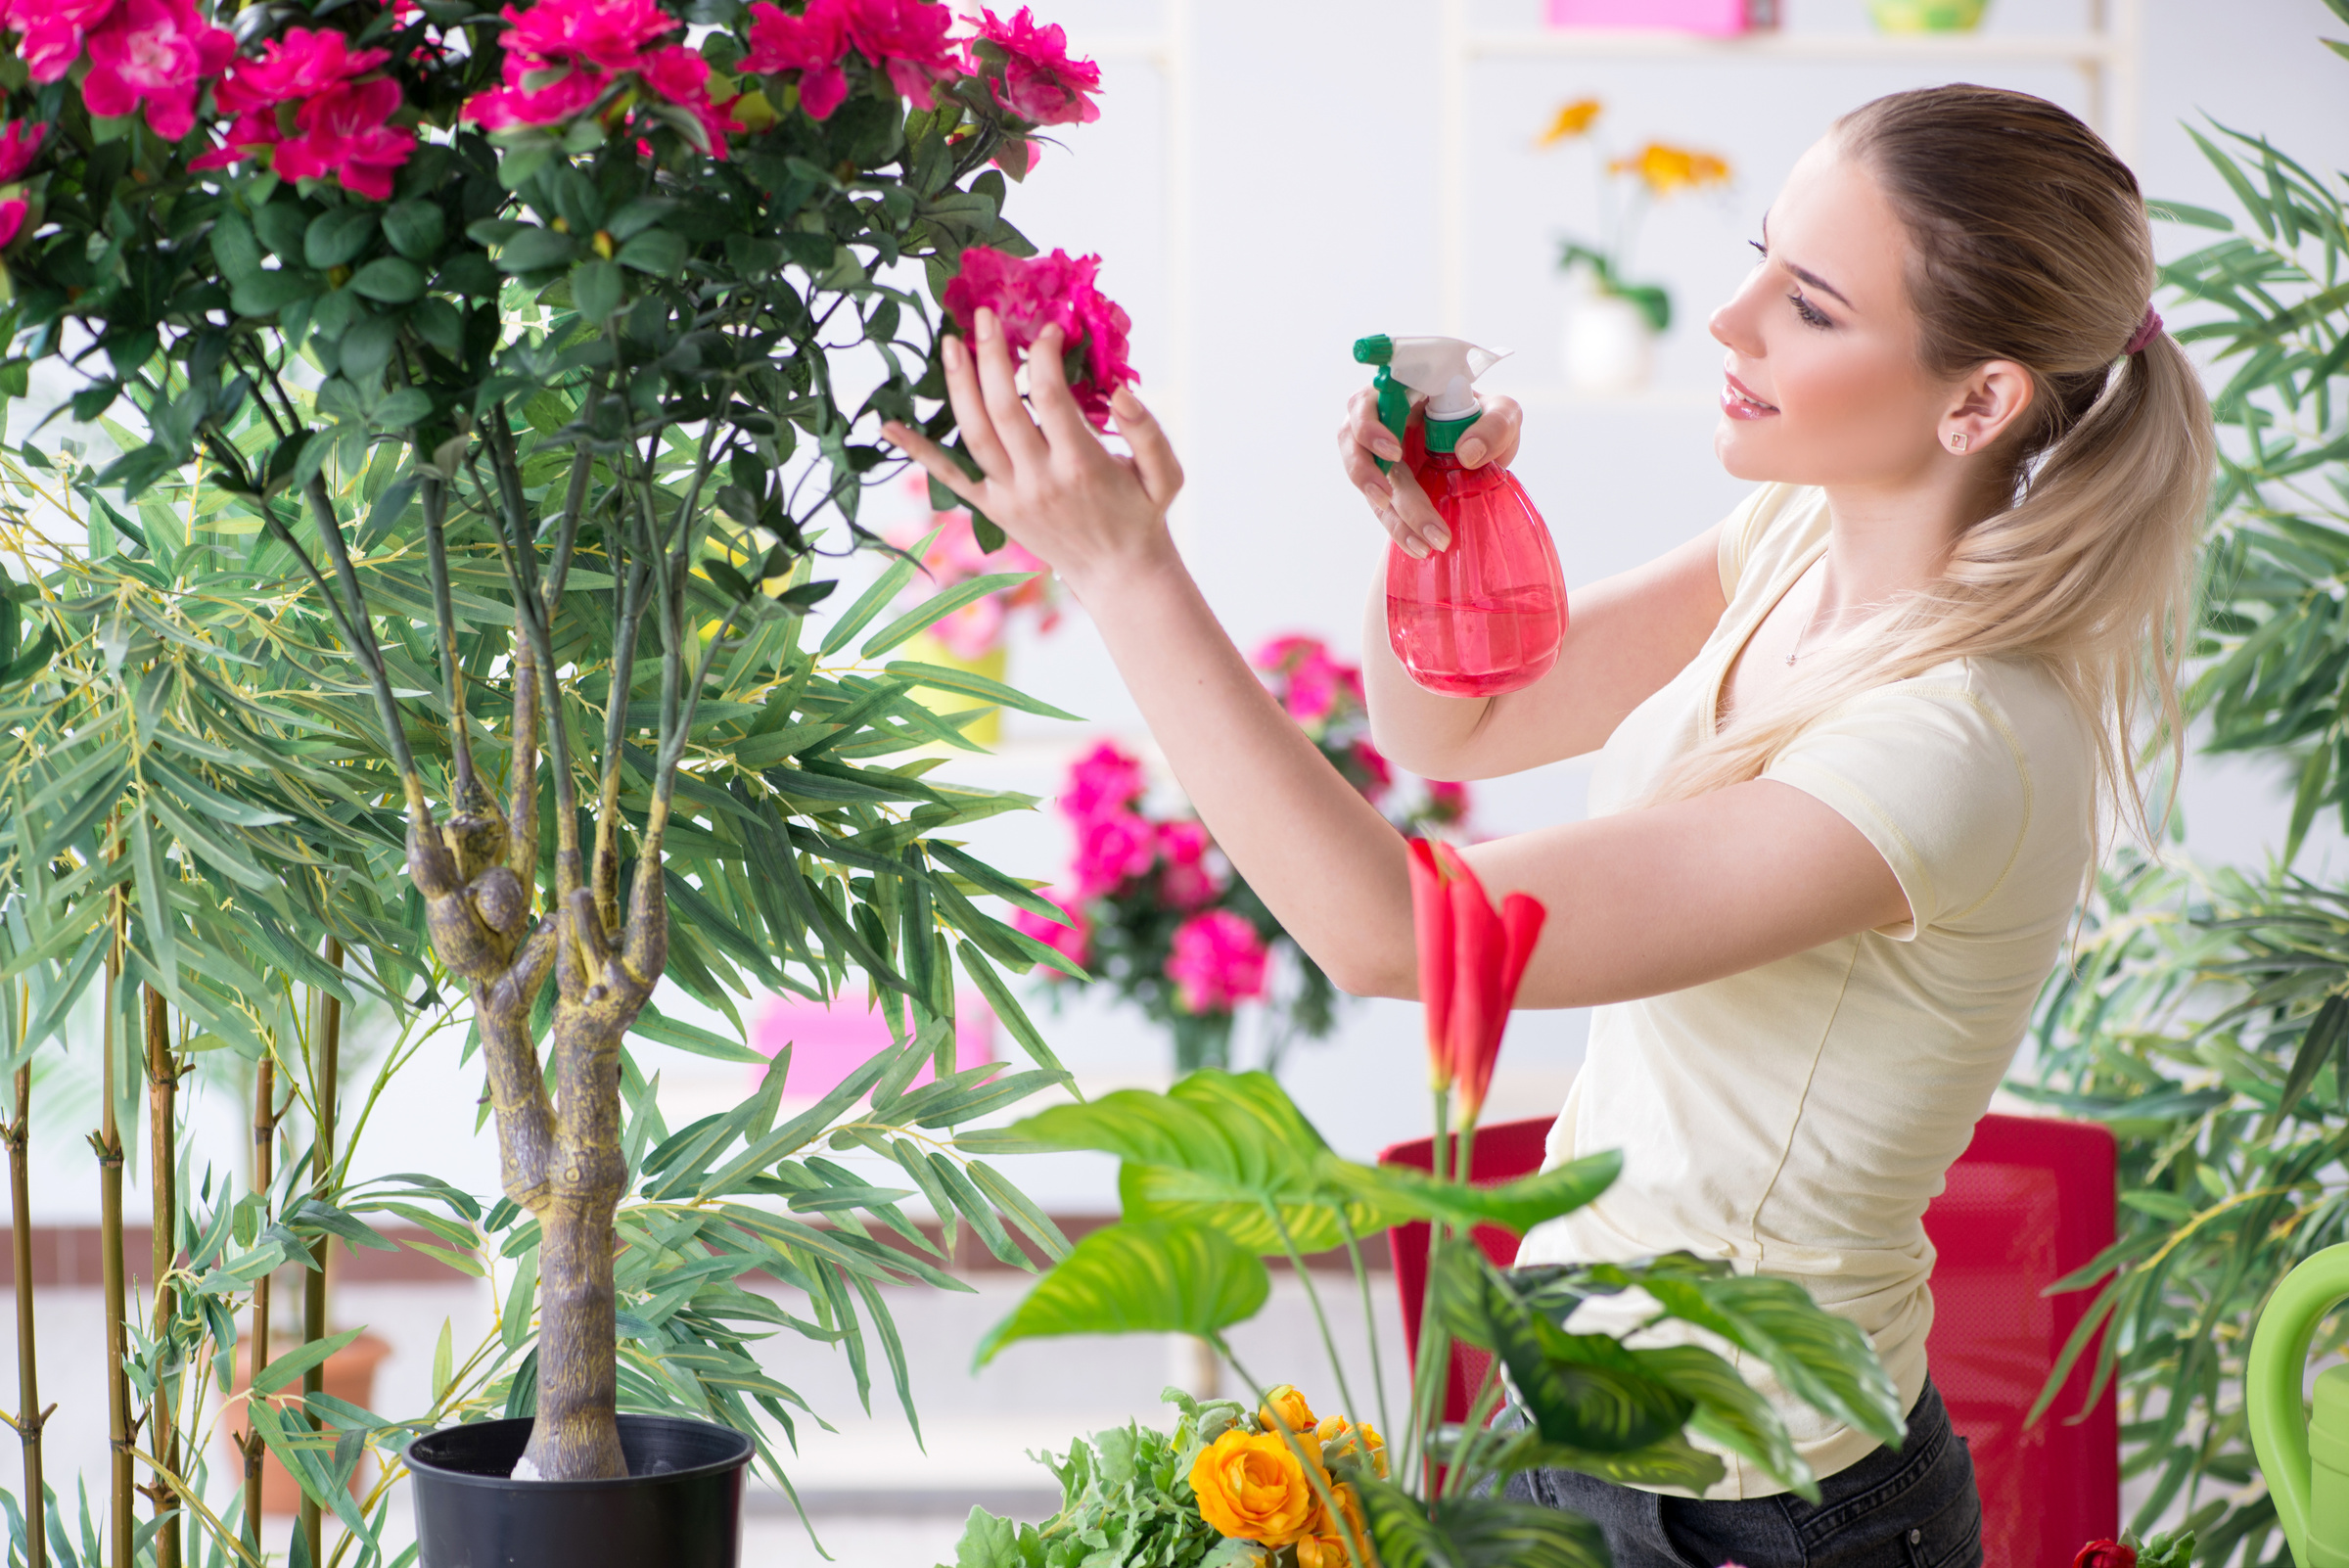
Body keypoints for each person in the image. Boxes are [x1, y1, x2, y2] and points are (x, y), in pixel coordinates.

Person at [883, 82, 2212, 1568]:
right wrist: (1437, 538)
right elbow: (1458, 726)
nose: (1731, 320)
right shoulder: (1795, 540)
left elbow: (1397, 933)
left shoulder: (1955, 740)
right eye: (1762, 256)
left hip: (1763, 1511)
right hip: (1575, 1435)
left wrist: (1128, 575)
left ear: (1979, 401)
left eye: (1811, 306)